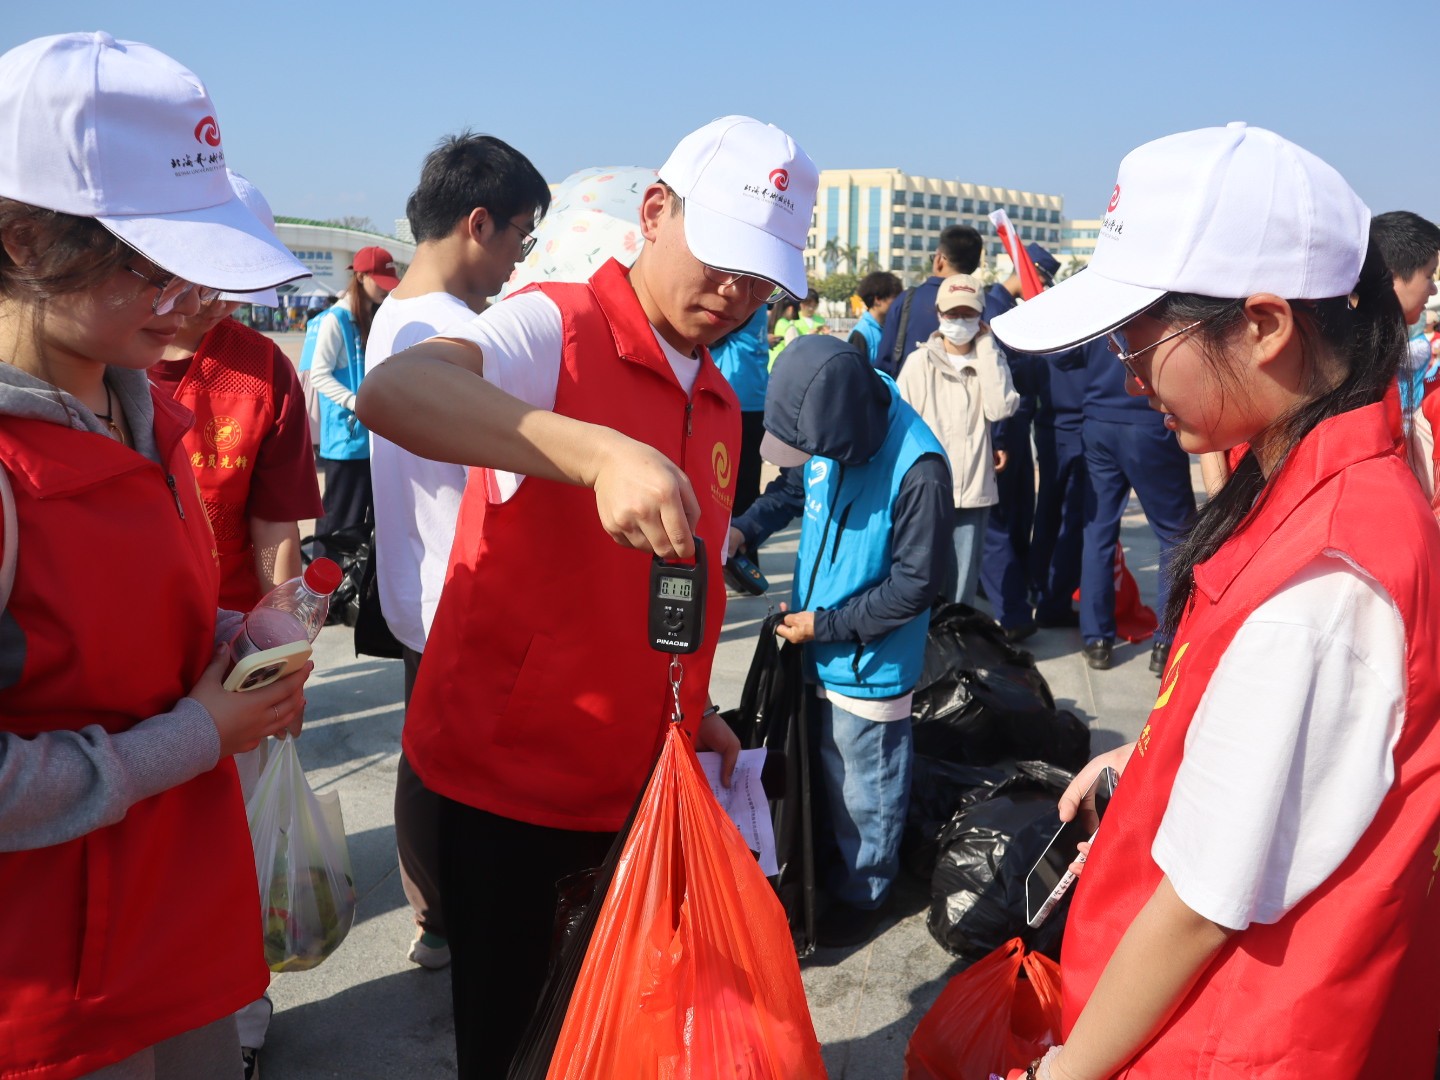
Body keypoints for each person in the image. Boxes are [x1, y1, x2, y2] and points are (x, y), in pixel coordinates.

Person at [355, 115, 818, 1078]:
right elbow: (396, 392)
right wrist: (597, 452)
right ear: (654, 213)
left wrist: (690, 712)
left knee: (609, 1042)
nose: (735, 296)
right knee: (515, 1047)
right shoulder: (553, 326)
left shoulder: (720, 401)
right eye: (721, 260)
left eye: (760, 279)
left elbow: (669, 589)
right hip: (511, 788)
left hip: (638, 785)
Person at [993, 122, 1440, 1080]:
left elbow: (1199, 907)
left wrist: (1061, 1072)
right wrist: (1153, 755)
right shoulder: (1313, 485)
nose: (1127, 375)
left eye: (1141, 340)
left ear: (1267, 324)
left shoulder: (1327, 572)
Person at [0, 31, 311, 1079]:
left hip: (177, 943)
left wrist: (238, 642)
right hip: (54, 995)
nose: (193, 295)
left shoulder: (141, 411)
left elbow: (131, 626)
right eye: (156, 265)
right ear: (25, 242)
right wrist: (195, 736)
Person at [367, 131, 551, 972]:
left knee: (423, 756)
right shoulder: (457, 333)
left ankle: (433, 918)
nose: (518, 260)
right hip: (467, 588)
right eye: (520, 236)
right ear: (479, 223)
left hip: (417, 584)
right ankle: (467, 926)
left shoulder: (395, 316)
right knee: (472, 777)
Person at [729, 336, 952, 947]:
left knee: (866, 788)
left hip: (869, 665)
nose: (809, 459)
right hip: (817, 642)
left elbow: (915, 586)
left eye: (814, 450)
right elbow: (790, 491)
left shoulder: (919, 470)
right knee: (830, 775)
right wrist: (745, 530)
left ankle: (867, 895)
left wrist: (823, 625)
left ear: (845, 432)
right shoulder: (830, 432)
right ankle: (837, 870)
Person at [150, 171, 323, 612]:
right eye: (208, 286)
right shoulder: (100, 357)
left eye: (240, 289)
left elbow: (275, 525)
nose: (222, 304)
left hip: (225, 619)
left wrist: (279, 628)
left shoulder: (265, 371)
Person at [896, 273, 1017, 605]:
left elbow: (1001, 407)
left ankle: (956, 637)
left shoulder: (990, 360)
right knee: (922, 579)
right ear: (939, 313)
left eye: (968, 313)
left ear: (981, 317)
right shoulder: (919, 362)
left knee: (963, 584)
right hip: (927, 492)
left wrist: (988, 348)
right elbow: (901, 424)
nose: (960, 320)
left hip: (973, 491)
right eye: (952, 313)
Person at [977, 242, 1063, 639]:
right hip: (1005, 425)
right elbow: (1003, 377)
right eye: (1041, 280)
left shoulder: (1011, 308)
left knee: (1019, 509)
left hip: (1019, 420)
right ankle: (1005, 594)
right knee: (1003, 514)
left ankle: (1012, 583)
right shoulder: (994, 309)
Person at [306, 245, 397, 545]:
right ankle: (324, 575)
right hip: (345, 440)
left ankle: (356, 576)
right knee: (339, 522)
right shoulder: (336, 319)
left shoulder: (375, 317)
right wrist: (356, 403)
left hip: (373, 436)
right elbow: (319, 374)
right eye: (379, 282)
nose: (385, 289)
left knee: (367, 522)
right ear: (360, 277)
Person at [1370, 210, 1440, 498]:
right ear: (1393, 276)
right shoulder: (1360, 360)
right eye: (1428, 275)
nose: (1433, 288)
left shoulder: (1378, 348)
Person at [875, 224, 983, 376]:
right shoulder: (992, 307)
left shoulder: (906, 301)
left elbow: (883, 366)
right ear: (976, 265)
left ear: (939, 259)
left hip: (910, 389)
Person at [709, 303, 771, 536]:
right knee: (746, 484)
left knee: (724, 488)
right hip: (752, 397)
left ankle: (734, 547)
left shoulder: (742, 299)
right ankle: (742, 544)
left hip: (735, 396)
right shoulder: (758, 296)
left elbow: (711, 334)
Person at [849, 269, 903, 364]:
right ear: (878, 300)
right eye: (895, 298)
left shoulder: (890, 328)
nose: (899, 303)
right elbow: (855, 369)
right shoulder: (861, 333)